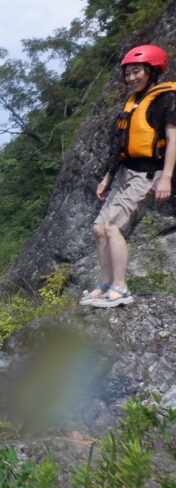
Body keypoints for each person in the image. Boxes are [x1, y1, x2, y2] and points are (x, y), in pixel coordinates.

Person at [81, 45, 176, 308]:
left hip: (148, 173)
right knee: (99, 228)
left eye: (137, 72)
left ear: (152, 71)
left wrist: (166, 177)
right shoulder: (132, 103)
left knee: (113, 228)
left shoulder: (165, 99)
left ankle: (121, 288)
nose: (131, 78)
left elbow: (173, 138)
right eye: (128, 73)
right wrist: (108, 176)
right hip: (125, 172)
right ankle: (105, 283)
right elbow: (119, 144)